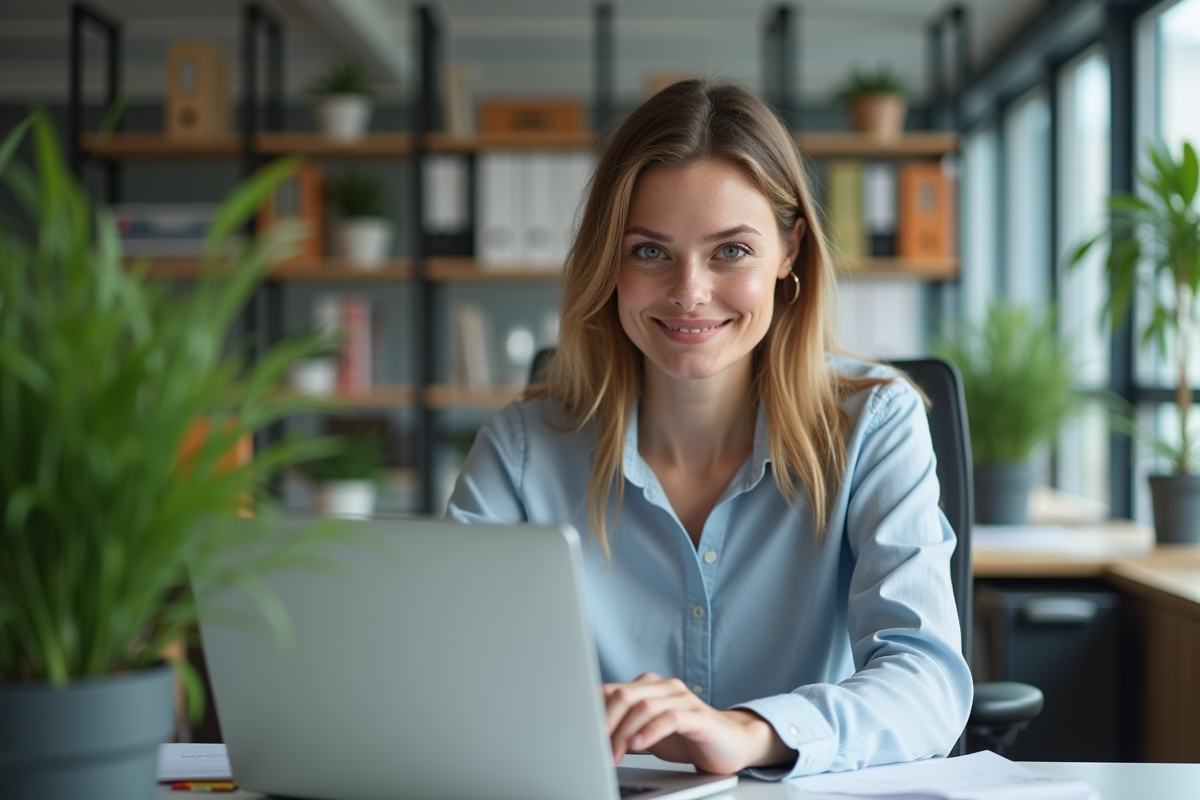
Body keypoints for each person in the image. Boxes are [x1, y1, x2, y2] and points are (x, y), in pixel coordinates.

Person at [446, 79, 972, 779]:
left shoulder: (874, 424)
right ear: (609, 260)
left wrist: (751, 732)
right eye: (650, 252)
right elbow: (449, 675)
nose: (689, 291)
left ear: (790, 251)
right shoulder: (521, 451)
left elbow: (927, 684)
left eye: (730, 251)